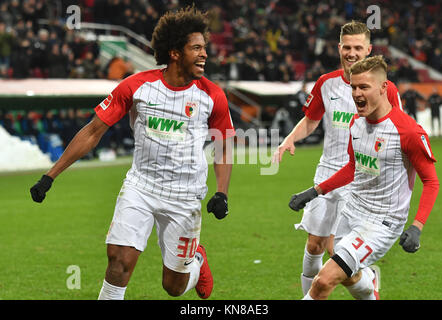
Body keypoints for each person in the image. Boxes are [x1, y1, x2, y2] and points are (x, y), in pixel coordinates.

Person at [29, 6, 235, 300]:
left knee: (174, 287)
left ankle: (197, 263)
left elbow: (224, 144)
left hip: (185, 195)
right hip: (141, 186)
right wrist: (50, 176)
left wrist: (222, 192)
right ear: (175, 52)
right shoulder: (137, 87)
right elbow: (92, 131)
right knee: (118, 261)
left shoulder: (212, 95)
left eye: (204, 48)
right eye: (197, 48)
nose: (204, 54)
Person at [289, 56, 439, 300]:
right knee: (349, 274)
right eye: (353, 87)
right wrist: (314, 191)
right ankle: (370, 283)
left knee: (324, 281)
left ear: (383, 88)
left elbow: (431, 182)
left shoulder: (408, 131)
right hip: (352, 211)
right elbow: (352, 167)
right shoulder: (355, 122)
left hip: (382, 222)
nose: (356, 94)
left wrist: (417, 226)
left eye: (364, 87)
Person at [272, 21, 403, 297]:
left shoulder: (385, 89)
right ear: (339, 48)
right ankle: (354, 285)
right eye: (347, 47)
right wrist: (289, 139)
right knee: (314, 245)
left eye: (358, 47)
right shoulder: (326, 83)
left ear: (368, 49)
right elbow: (311, 120)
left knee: (336, 252)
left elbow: (397, 131)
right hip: (327, 171)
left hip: (358, 178)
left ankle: (367, 284)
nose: (352, 53)